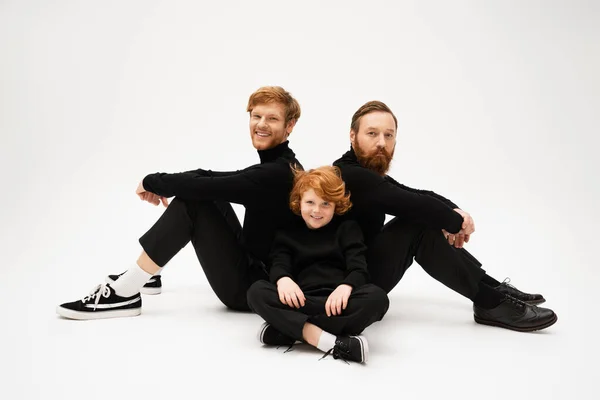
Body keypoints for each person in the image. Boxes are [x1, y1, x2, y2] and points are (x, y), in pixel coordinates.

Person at [56, 86, 303, 319]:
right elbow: (210, 177)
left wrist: (151, 181)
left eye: (272, 118)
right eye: (256, 115)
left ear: (289, 125)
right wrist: (157, 181)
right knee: (207, 195)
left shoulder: (276, 174)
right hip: (254, 267)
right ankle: (148, 274)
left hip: (251, 288)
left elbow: (204, 185)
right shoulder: (279, 165)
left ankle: (124, 293)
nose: (260, 124)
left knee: (193, 202)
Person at [332, 101, 557, 332]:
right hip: (343, 288)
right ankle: (490, 301)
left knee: (423, 217)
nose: (382, 142)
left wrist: (457, 213)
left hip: (360, 274)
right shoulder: (349, 175)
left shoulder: (365, 173)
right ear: (352, 135)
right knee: (418, 223)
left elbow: (416, 194)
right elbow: (411, 204)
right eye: (372, 133)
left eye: (389, 135)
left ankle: (493, 290)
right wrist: (455, 223)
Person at [247, 166, 389, 364]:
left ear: (335, 206)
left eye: (325, 204)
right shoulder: (288, 233)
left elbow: (358, 268)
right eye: (310, 202)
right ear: (299, 202)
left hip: (337, 304)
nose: (316, 210)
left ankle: (289, 331)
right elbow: (279, 263)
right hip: (300, 302)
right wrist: (283, 280)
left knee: (378, 298)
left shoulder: (348, 229)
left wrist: (346, 286)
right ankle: (331, 342)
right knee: (256, 292)